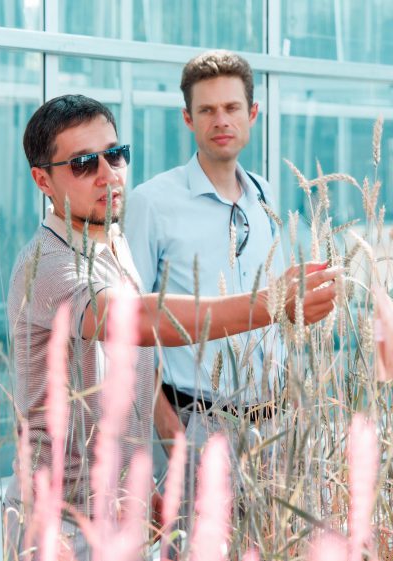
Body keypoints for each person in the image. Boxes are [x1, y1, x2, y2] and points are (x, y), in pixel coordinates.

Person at [4, 94, 338, 560]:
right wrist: (269, 304)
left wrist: (143, 490)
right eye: (82, 163)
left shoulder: (112, 242)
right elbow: (137, 321)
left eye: (114, 155)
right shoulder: (48, 264)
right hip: (61, 525)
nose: (108, 175)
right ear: (42, 179)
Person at [125, 50, 282, 511]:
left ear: (252, 113)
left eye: (232, 107)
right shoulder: (152, 202)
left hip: (273, 425)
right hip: (196, 422)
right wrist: (168, 429)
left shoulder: (264, 195)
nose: (221, 120)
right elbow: (127, 326)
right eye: (207, 110)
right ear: (188, 119)